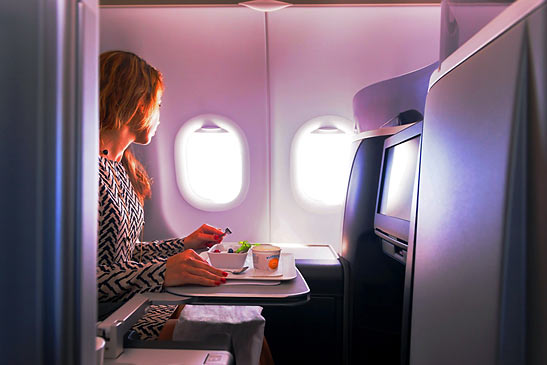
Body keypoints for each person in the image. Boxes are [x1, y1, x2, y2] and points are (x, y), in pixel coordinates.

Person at [97, 50, 229, 340]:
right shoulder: (83, 172)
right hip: (102, 318)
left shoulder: (118, 168)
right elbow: (72, 283)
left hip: (127, 304)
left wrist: (182, 245)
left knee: (239, 319)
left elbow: (124, 255)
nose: (158, 115)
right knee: (228, 332)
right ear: (139, 104)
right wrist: (161, 272)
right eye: (157, 104)